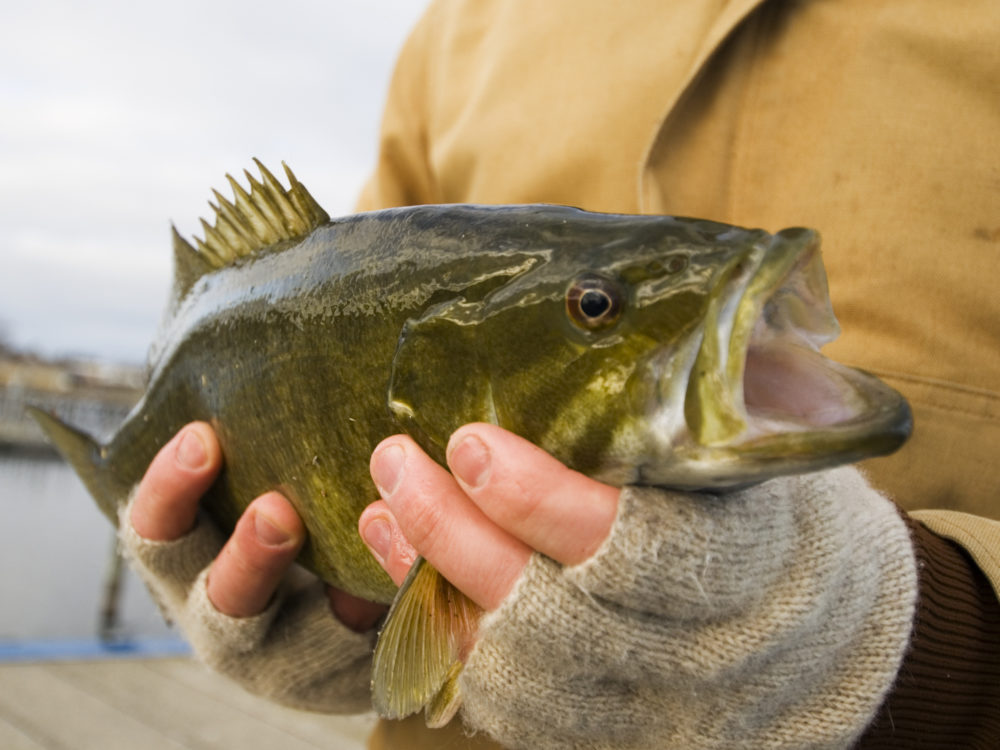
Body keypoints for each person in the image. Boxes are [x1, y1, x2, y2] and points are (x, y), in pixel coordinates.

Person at [119, 1, 1000, 748]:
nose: (599, 311)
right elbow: (334, 311)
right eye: (595, 308)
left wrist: (917, 644)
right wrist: (341, 603)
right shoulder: (465, 22)